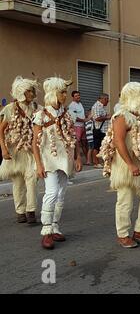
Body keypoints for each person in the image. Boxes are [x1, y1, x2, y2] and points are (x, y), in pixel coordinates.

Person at [99, 82, 140, 248]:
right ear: (135, 98)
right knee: (125, 200)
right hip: (125, 166)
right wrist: (129, 164)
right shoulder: (121, 117)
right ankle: (123, 234)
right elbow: (118, 141)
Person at [32, 77, 82, 249]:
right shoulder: (40, 115)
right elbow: (34, 143)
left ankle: (54, 227)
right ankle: (46, 231)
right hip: (49, 160)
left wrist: (76, 157)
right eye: (61, 92)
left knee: (61, 193)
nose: (64, 95)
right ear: (53, 93)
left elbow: (72, 137)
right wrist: (38, 165)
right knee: (51, 192)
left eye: (65, 92)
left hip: (65, 158)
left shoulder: (66, 114)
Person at [0, 76, 39, 224]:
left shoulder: (36, 108)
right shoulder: (9, 109)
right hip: (15, 152)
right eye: (29, 91)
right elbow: (1, 130)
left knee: (32, 179)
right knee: (17, 183)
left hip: (31, 151)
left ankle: (31, 211)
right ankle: (20, 212)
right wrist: (4, 149)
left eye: (32, 91)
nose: (32, 93)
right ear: (21, 92)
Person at [68, 91, 88, 163]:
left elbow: (81, 114)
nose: (78, 97)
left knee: (84, 143)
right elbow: (74, 117)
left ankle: (87, 160)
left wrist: (86, 119)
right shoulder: (72, 106)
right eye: (76, 96)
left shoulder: (80, 104)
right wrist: (84, 120)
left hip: (82, 126)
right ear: (73, 97)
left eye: (79, 95)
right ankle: (75, 160)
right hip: (76, 126)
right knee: (76, 143)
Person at [92, 93, 111, 168]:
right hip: (98, 130)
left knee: (101, 146)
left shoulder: (102, 107)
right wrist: (107, 117)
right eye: (106, 99)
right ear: (102, 99)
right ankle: (96, 163)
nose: (108, 101)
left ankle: (99, 162)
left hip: (103, 130)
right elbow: (97, 118)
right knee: (96, 147)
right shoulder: (97, 106)